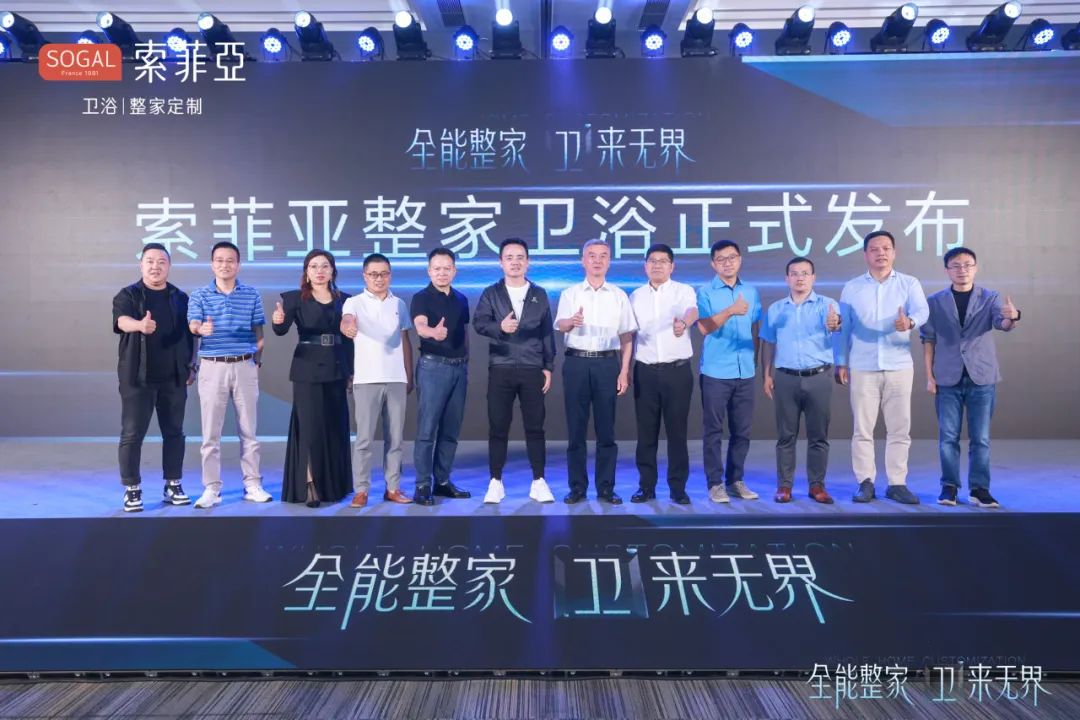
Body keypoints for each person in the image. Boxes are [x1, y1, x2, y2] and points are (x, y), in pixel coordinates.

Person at [921, 247, 1020, 508]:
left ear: (975, 268)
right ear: (947, 270)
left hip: (982, 377)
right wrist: (929, 376)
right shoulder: (935, 301)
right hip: (947, 378)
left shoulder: (990, 297)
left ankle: (979, 489)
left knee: (981, 439)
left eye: (967, 265)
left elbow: (1002, 324)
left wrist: (1012, 318)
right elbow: (928, 340)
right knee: (948, 438)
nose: (962, 270)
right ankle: (949, 487)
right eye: (956, 265)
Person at [836, 230, 929, 504]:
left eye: (886, 248)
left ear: (894, 252)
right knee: (862, 429)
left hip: (899, 365)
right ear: (865, 254)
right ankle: (865, 482)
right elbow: (843, 327)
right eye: (874, 249)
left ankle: (897, 483)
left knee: (900, 428)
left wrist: (909, 322)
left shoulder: (909, 283)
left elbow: (922, 311)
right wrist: (841, 361)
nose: (881, 253)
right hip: (862, 365)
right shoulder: (852, 287)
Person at [112, 243, 196, 512]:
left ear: (169, 266)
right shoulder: (128, 294)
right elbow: (121, 321)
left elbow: (190, 335)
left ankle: (173, 484)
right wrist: (139, 325)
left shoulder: (180, 298)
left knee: (175, 433)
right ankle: (132, 489)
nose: (155, 266)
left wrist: (191, 366)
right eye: (150, 261)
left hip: (173, 377)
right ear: (141, 265)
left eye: (161, 262)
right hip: (137, 378)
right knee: (132, 434)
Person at [472, 238, 557, 504]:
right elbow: (479, 322)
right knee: (498, 426)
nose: (515, 262)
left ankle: (539, 481)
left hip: (532, 367)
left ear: (528, 262)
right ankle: (495, 482)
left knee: (535, 427)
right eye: (509, 257)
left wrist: (548, 366)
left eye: (520, 257)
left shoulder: (539, 293)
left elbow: (546, 332)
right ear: (501, 262)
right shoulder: (491, 293)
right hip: (501, 366)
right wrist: (499, 327)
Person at [554, 239, 638, 504]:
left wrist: (624, 371)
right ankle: (577, 487)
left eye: (603, 256)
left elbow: (627, 337)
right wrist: (572, 322)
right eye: (592, 255)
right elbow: (560, 325)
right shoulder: (571, 294)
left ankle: (606, 488)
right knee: (576, 430)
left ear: (609, 261)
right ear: (583, 261)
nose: (597, 260)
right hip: (576, 363)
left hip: (607, 364)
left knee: (606, 430)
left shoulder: (618, 295)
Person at [187, 241, 269, 508]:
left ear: (238, 265)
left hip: (244, 365)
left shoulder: (251, 294)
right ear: (212, 265)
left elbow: (259, 332)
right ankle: (211, 488)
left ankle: (253, 484)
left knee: (249, 431)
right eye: (220, 260)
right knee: (210, 434)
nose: (225, 265)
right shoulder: (199, 295)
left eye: (230, 260)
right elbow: (193, 324)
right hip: (212, 366)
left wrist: (256, 361)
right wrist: (200, 329)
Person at [272, 249, 353, 508]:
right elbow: (281, 330)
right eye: (314, 266)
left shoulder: (346, 300)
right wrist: (278, 320)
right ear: (306, 272)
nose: (319, 271)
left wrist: (351, 371)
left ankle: (333, 485)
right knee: (309, 427)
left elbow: (349, 340)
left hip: (337, 368)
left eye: (325, 266)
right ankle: (310, 484)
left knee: (334, 426)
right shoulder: (295, 298)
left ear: (333, 271)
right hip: (307, 368)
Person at [760, 257, 842, 504]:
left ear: (813, 278)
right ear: (787, 279)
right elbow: (768, 342)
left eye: (805, 273)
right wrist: (766, 375)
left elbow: (837, 326)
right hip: (786, 378)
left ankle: (817, 486)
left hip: (819, 377)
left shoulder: (828, 305)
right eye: (794, 273)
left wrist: (835, 324)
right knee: (786, 436)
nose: (800, 278)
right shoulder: (776, 309)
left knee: (818, 436)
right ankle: (784, 486)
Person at [340, 253, 413, 507]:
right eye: (373, 274)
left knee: (396, 439)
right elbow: (347, 321)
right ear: (365, 276)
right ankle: (361, 490)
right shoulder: (353, 302)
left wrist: (408, 374)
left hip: (396, 379)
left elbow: (405, 340)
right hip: (366, 379)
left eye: (383, 274)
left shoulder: (399, 304)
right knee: (364, 439)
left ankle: (393, 488)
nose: (379, 279)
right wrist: (347, 326)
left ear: (390, 275)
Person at [628, 243, 697, 505]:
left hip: (677, 372)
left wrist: (684, 323)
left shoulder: (683, 291)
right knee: (646, 433)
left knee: (677, 433)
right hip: (645, 371)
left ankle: (678, 488)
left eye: (663, 261)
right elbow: (628, 333)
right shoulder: (635, 296)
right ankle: (646, 487)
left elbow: (692, 311)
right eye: (652, 261)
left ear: (672, 266)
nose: (657, 265)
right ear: (645, 266)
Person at [695, 240, 762, 504]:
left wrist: (754, 360)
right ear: (713, 264)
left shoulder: (751, 292)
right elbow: (704, 327)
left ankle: (736, 480)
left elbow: (755, 327)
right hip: (716, 371)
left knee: (742, 431)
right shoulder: (705, 292)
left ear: (740, 260)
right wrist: (731, 311)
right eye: (721, 259)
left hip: (745, 371)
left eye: (732, 257)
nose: (728, 263)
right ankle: (715, 483)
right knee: (713, 431)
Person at [410, 248, 472, 505]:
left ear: (454, 271)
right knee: (427, 430)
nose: (442, 273)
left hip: (459, 368)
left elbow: (465, 333)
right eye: (437, 268)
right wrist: (431, 333)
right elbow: (420, 325)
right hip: (433, 367)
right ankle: (423, 485)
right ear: (429, 271)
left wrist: (466, 361)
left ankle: (443, 481)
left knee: (451, 430)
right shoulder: (421, 298)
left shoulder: (462, 299)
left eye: (447, 268)